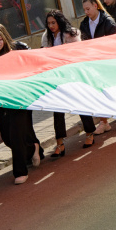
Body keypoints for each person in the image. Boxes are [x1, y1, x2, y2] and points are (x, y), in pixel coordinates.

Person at [0, 24, 42, 184]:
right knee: (7, 138)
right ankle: (33, 148)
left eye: (0, 39)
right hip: (1, 102)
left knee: (16, 135)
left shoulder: (14, 55)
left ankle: (20, 172)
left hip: (18, 100)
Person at [79, 0, 116, 146]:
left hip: (108, 61)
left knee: (113, 89)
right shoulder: (84, 24)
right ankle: (104, 121)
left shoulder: (108, 21)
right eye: (84, 9)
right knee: (98, 91)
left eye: (88, 8)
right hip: (93, 63)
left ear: (95, 6)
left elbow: (115, 42)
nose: (86, 12)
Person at [40, 10, 80, 158]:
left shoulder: (71, 34)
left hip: (71, 75)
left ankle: (89, 132)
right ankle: (60, 143)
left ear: (59, 21)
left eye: (53, 22)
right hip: (56, 78)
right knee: (57, 109)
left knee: (80, 103)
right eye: (48, 23)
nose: (51, 26)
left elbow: (75, 54)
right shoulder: (46, 37)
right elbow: (44, 56)